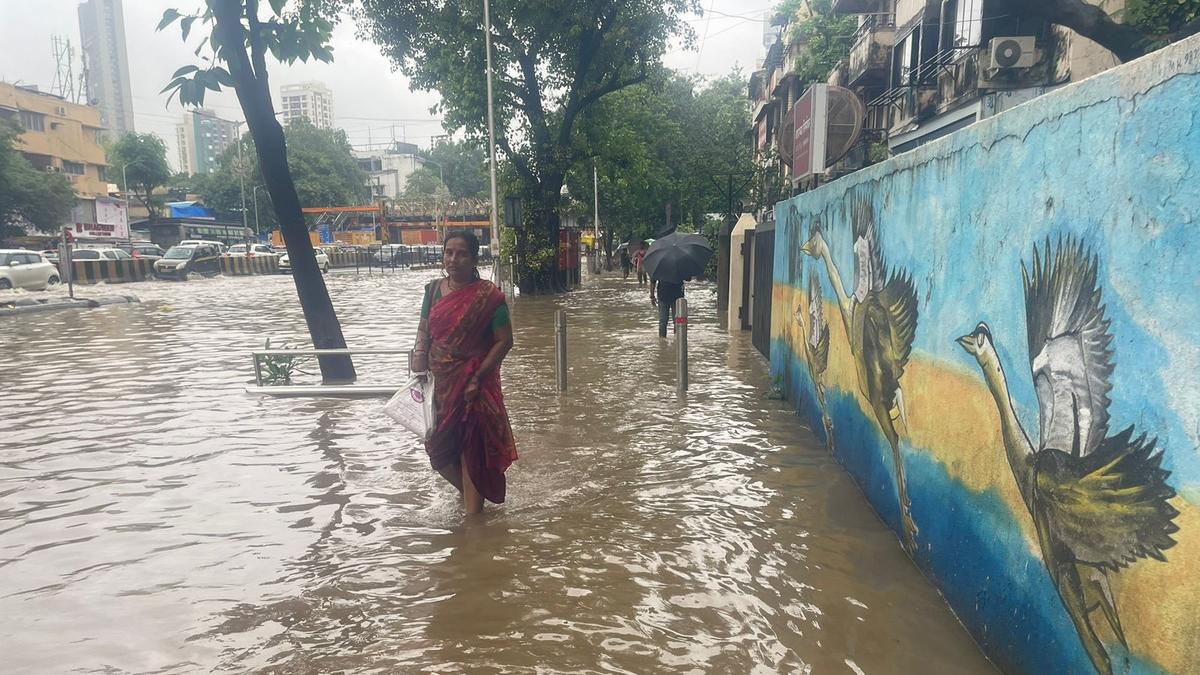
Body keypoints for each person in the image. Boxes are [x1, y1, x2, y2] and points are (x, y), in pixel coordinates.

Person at [412, 231, 517, 514]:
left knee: (471, 449)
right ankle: (473, 496)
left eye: (461, 254)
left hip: (475, 387)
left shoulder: (489, 297)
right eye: (449, 252)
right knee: (438, 451)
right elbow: (424, 330)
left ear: (473, 259)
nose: (453, 259)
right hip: (439, 385)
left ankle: (473, 531)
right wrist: (418, 358)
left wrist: (477, 377)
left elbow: (504, 341)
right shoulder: (433, 290)